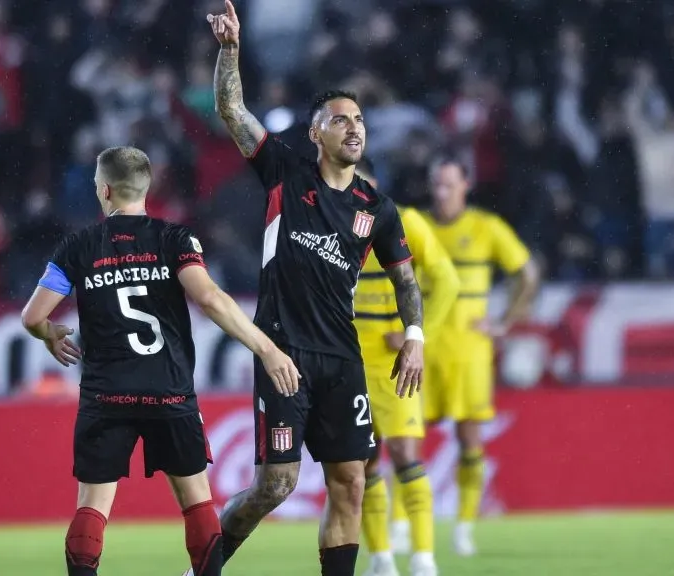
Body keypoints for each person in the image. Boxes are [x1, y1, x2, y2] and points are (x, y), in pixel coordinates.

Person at [186, 2, 425, 575]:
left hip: (342, 357)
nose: (355, 127)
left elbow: (406, 280)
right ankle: (204, 568)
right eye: (342, 119)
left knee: (351, 480)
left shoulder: (378, 208)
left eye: (360, 120)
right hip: (282, 353)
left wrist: (415, 334)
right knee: (277, 485)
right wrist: (230, 51)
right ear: (317, 132)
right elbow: (231, 109)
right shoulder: (285, 173)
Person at [20, 145, 299, 576]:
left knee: (93, 508)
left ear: (105, 190)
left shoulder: (78, 246)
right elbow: (209, 298)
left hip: (106, 394)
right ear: (146, 188)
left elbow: (33, 315)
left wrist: (49, 334)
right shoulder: (175, 239)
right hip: (167, 390)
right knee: (197, 504)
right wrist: (266, 347)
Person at [396, 156, 539, 557]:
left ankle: (463, 527)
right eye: (436, 184)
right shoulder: (415, 226)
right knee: (406, 439)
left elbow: (528, 273)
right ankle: (403, 524)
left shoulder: (486, 228)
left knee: (469, 438)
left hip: (470, 351)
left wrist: (506, 322)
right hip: (422, 347)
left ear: (467, 184)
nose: (442, 192)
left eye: (449, 184)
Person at [352, 158, 459, 576]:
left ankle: (423, 558)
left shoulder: (405, 220)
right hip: (349, 361)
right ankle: (381, 559)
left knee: (405, 455)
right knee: (364, 462)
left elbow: (447, 281)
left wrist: (417, 332)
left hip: (396, 364)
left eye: (364, 183)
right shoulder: (328, 223)